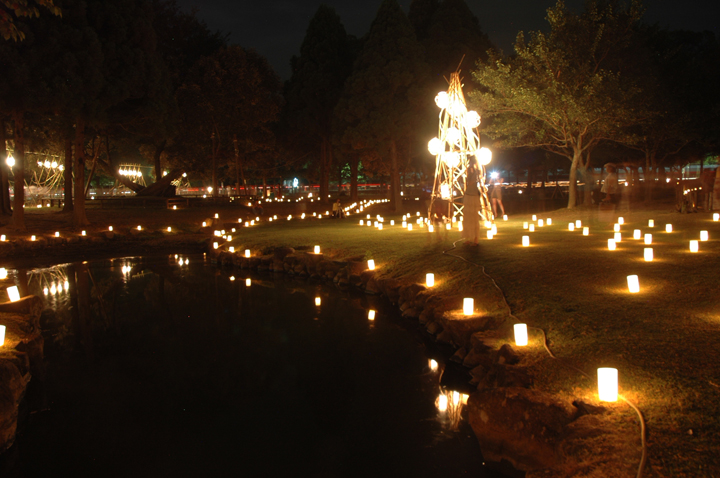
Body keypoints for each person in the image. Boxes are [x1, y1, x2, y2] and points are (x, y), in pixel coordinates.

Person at [462, 161, 481, 245]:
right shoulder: (469, 174)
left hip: (474, 196)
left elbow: (472, 182)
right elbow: (468, 182)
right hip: (468, 195)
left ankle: (475, 238)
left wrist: (474, 169)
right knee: (467, 218)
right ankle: (468, 237)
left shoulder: (476, 173)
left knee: (474, 218)